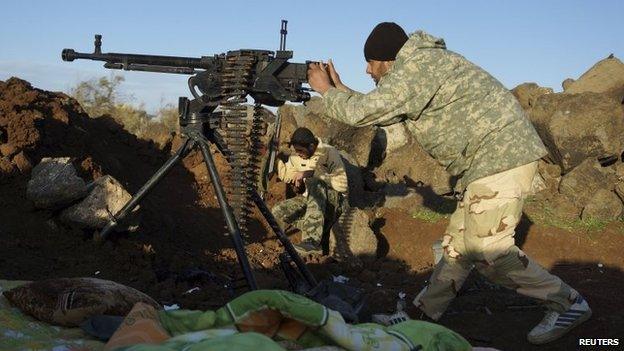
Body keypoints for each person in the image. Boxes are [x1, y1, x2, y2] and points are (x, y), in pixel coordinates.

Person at [307, 22, 591, 345]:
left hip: (500, 157)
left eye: (370, 63)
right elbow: (383, 109)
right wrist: (340, 88)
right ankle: (421, 318)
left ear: (386, 59)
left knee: (488, 251)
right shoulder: (416, 68)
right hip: (488, 162)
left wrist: (326, 91)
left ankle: (569, 303)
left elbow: (372, 110)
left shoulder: (417, 68)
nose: (367, 70)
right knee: (457, 250)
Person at [272, 127, 348, 255]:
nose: (298, 153)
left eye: (301, 150)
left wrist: (312, 173)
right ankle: (316, 228)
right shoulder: (296, 157)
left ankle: (312, 242)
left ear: (312, 146)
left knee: (314, 183)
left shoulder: (329, 152)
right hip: (311, 202)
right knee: (278, 210)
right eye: (296, 151)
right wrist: (274, 159)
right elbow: (286, 174)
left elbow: (342, 185)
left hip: (335, 203)